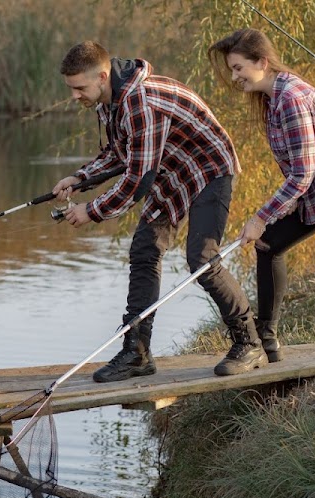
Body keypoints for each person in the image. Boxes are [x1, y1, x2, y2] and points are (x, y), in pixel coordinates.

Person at [53, 41, 266, 382]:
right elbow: (118, 153)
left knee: (201, 260)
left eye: (79, 88)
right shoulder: (109, 101)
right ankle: (137, 353)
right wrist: (80, 178)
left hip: (209, 169)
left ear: (103, 76)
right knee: (144, 250)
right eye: (71, 89)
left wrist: (91, 211)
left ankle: (249, 342)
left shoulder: (141, 102)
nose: (75, 96)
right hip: (171, 171)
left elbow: (136, 181)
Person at [207, 28, 315, 405]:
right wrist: (271, 221)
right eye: (231, 69)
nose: (234, 77)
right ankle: (265, 340)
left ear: (262, 62)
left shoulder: (291, 97)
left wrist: (261, 216)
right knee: (268, 246)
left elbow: (303, 172)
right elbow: (301, 175)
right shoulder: (272, 98)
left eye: (238, 68)